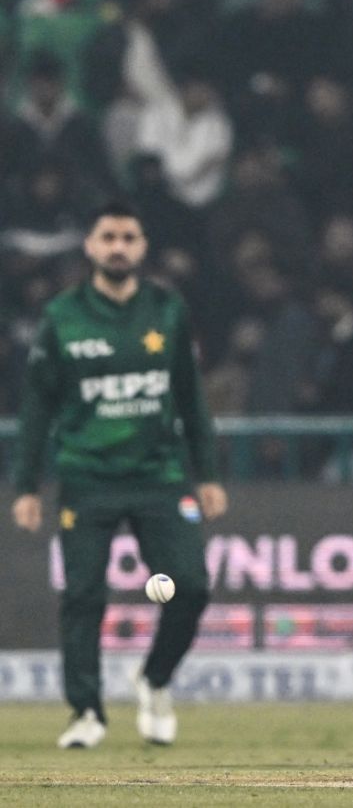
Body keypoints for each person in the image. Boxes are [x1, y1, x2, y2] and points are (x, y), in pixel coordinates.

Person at [10, 201, 226, 749]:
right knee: (83, 595)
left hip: (159, 474)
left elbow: (191, 397)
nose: (118, 247)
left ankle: (154, 678)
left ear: (143, 246)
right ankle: (86, 712)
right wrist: (27, 484)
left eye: (128, 237)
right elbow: (37, 405)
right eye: (108, 237)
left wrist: (207, 472)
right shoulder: (63, 316)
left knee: (191, 586)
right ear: (90, 246)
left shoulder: (166, 309)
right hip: (87, 476)